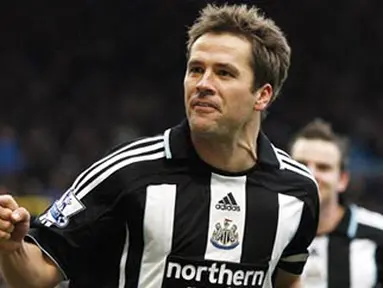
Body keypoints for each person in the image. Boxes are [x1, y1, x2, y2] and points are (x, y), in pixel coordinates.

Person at [0, 4, 319, 288]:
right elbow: (36, 277)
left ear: (262, 95)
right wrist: (11, 248)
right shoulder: (126, 173)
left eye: (223, 73)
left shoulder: (297, 191)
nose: (204, 84)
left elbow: (286, 280)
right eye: (196, 69)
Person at [289, 118, 383, 287]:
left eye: (323, 167)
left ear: (342, 179)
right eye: (301, 165)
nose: (311, 175)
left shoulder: (378, 233)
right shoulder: (267, 231)